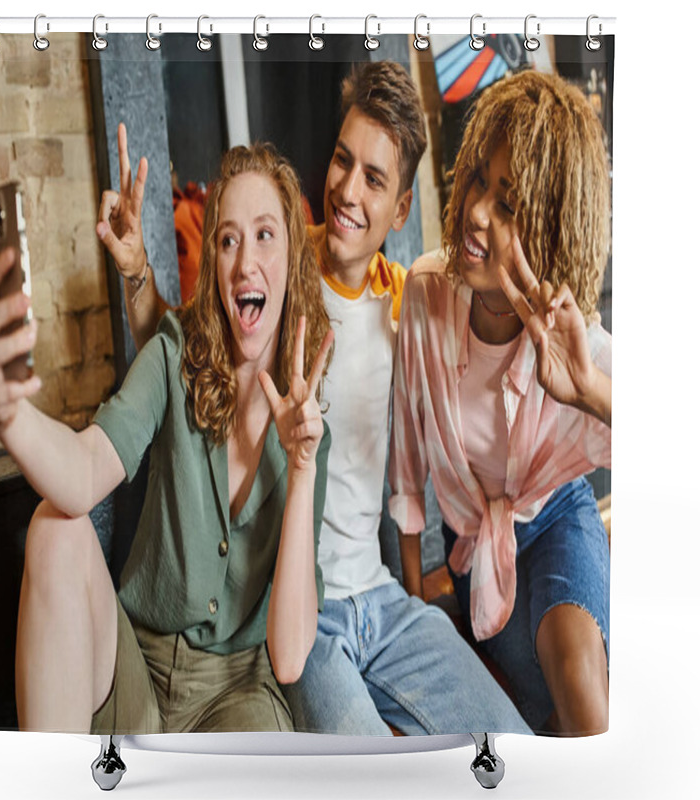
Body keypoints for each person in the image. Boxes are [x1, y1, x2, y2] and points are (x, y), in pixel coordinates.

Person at [98, 61, 530, 736]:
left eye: (375, 178)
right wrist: (137, 277)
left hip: (383, 601)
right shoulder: (270, 276)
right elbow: (185, 349)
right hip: (299, 612)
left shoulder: (405, 306)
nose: (348, 189)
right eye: (341, 160)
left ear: (401, 209)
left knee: (515, 745)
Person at [0, 143, 334, 734]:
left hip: (237, 698)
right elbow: (85, 471)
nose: (245, 263)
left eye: (266, 235)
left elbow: (290, 658)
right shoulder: (172, 355)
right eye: (228, 239)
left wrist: (301, 469)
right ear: (214, 266)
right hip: (132, 670)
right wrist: (9, 413)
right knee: (53, 530)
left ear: (293, 258)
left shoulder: (311, 433)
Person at [389, 69, 612, 736]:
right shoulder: (426, 296)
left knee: (577, 670)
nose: (478, 211)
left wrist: (586, 388)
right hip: (471, 547)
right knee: (535, 716)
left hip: (555, 517)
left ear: (548, 231)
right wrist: (411, 611)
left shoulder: (569, 329)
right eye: (479, 180)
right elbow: (406, 474)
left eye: (510, 205)